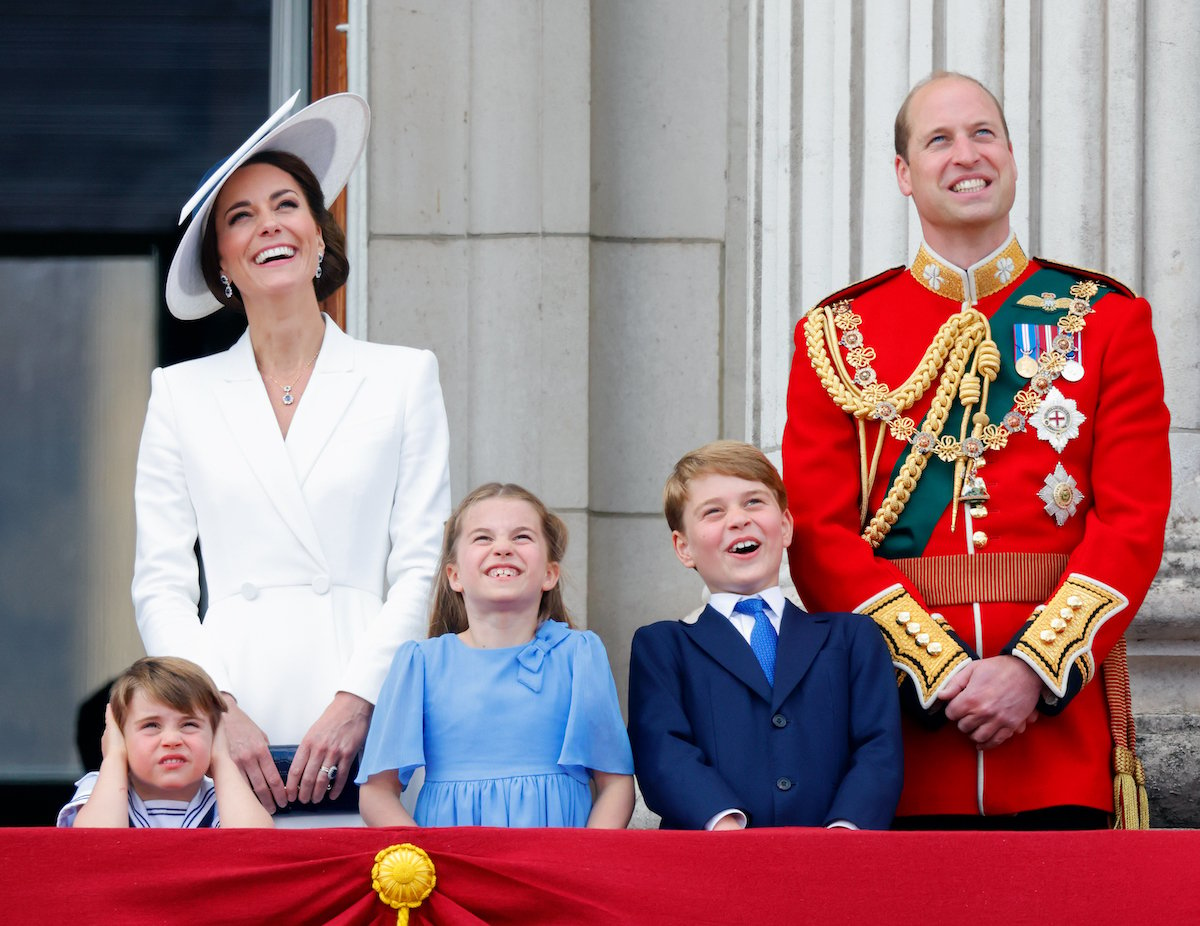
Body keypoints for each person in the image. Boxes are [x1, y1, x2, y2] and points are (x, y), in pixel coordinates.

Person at [783, 72, 1171, 828]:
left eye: (983, 133)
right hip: (899, 748)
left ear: (1013, 155)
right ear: (904, 173)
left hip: (1057, 743)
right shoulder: (838, 335)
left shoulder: (1106, 321)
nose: (967, 154)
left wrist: (1032, 668)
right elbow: (820, 536)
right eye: (939, 139)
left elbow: (1133, 522)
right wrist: (938, 674)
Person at [132, 92, 451, 820]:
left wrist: (358, 699)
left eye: (286, 205)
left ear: (317, 235)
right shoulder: (180, 393)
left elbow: (421, 565)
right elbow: (161, 582)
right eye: (240, 217)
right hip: (228, 710)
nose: (267, 225)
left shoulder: (403, 376)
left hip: (369, 711)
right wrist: (212, 710)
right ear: (222, 264)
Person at [627, 441, 902, 830]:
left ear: (785, 526)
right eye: (713, 511)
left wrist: (845, 831)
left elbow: (878, 748)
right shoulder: (664, 647)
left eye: (754, 502)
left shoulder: (852, 638)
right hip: (714, 862)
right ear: (683, 547)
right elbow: (663, 751)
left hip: (836, 858)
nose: (738, 519)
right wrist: (724, 825)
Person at [357, 483, 634, 828]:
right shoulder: (421, 664)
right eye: (483, 538)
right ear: (454, 575)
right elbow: (377, 792)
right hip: (452, 866)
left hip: (556, 865)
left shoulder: (579, 655)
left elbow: (615, 784)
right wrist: (425, 861)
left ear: (550, 573)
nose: (502, 548)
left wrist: (582, 865)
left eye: (521, 537)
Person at [58, 657, 273, 828]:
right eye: (151, 726)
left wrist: (222, 759)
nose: (172, 740)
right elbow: (94, 845)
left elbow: (255, 844)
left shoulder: (225, 794)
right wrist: (114, 757)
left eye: (189, 724)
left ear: (215, 734)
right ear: (121, 738)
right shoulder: (103, 786)